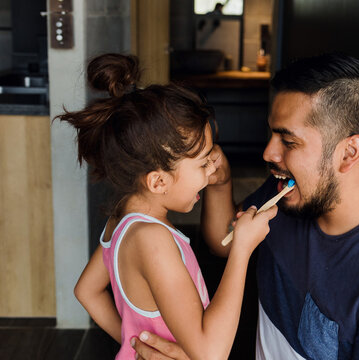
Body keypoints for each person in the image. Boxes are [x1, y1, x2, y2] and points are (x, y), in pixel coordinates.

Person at [132, 53, 359, 359]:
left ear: (349, 152)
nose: (269, 153)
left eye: (288, 142)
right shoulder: (289, 194)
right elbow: (225, 243)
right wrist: (221, 184)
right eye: (272, 136)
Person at [60, 53, 277, 360]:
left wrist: (132, 342)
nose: (212, 172)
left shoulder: (122, 220)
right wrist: (242, 249)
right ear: (158, 182)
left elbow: (86, 290)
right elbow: (210, 353)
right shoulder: (154, 241)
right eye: (203, 164)